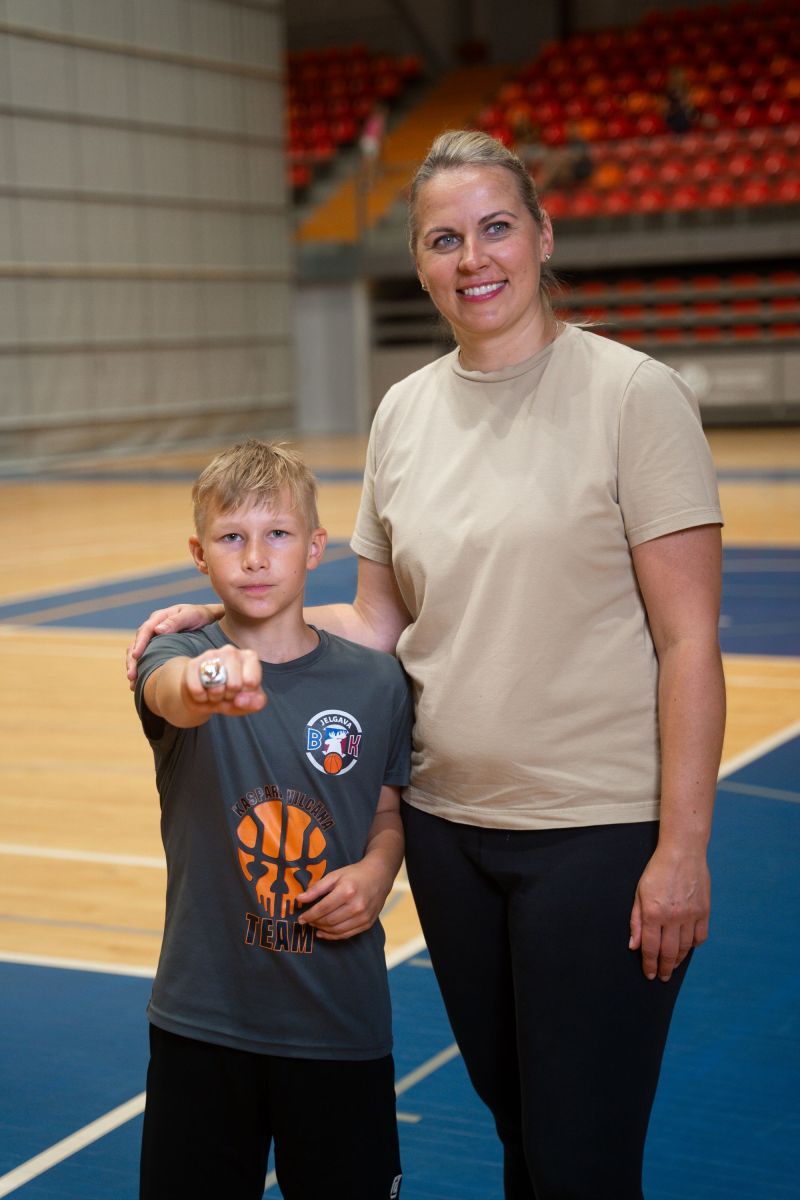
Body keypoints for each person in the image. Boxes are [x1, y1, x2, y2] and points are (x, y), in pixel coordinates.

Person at [127, 131, 726, 1200]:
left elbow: (688, 640)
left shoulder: (633, 396)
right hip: (449, 832)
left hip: (592, 831)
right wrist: (226, 614)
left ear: (542, 235)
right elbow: (375, 618)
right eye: (444, 239)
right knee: (518, 1128)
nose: (472, 258)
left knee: (581, 1156)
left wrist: (681, 847)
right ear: (417, 261)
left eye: (496, 228)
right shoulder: (403, 412)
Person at [133, 439, 411, 1200]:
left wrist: (378, 870)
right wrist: (208, 678)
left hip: (339, 1021)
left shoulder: (378, 683)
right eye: (231, 537)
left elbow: (387, 809)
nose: (255, 558)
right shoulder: (179, 651)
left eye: (277, 534)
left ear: (316, 547)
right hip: (202, 1020)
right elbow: (171, 692)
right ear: (200, 554)